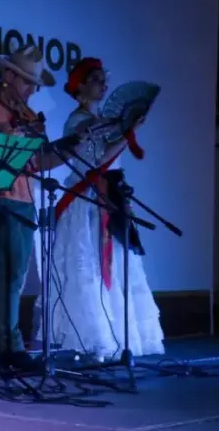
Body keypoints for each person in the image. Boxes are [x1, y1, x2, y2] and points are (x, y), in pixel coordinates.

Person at [35, 57, 164, 362]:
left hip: (108, 195)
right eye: (95, 79)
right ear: (79, 87)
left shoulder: (100, 122)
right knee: (89, 267)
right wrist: (125, 133)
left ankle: (118, 338)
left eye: (104, 79)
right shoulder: (77, 122)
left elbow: (108, 154)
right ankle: (95, 340)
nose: (103, 85)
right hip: (87, 200)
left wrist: (127, 131)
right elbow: (96, 160)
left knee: (114, 267)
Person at [0, 45, 77, 371]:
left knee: (18, 274)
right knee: (10, 271)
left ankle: (11, 344)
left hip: (25, 199)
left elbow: (37, 163)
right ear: (8, 75)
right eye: (27, 81)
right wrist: (5, 134)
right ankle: (7, 346)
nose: (32, 89)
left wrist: (68, 150)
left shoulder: (29, 116)